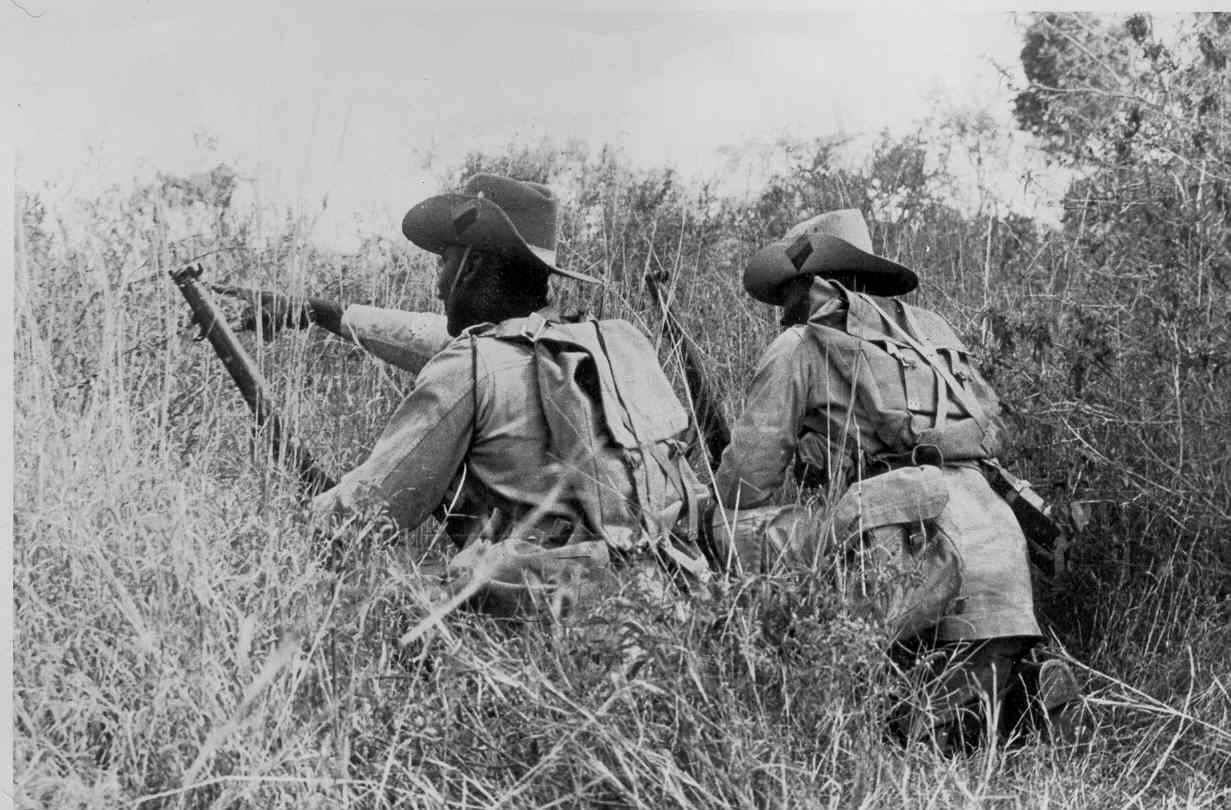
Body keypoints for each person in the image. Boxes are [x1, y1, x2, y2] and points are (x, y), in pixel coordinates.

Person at [248, 173, 709, 618]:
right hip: (671, 596)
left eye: (444, 263)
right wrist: (320, 313)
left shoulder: (471, 364)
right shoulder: (611, 343)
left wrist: (286, 536)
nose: (437, 284)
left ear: (472, 267)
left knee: (389, 607)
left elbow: (369, 510)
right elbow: (437, 339)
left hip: (563, 619)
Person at [710, 209, 1080, 749]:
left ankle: (974, 712)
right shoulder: (929, 336)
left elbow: (746, 481)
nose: (782, 308)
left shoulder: (803, 343)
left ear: (811, 282)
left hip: (917, 544)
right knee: (973, 685)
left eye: (788, 291)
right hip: (996, 535)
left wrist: (713, 507)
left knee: (730, 532)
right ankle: (1019, 694)